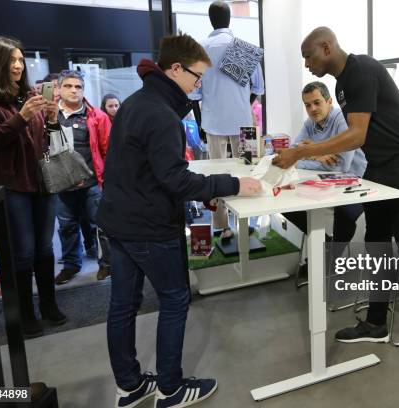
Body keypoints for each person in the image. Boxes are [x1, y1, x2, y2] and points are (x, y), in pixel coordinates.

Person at [96, 34, 261, 407]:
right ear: (175, 69)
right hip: (149, 226)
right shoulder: (160, 114)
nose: (198, 84)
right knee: (174, 300)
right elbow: (175, 178)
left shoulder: (137, 103)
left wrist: (207, 187)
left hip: (119, 220)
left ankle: (131, 384)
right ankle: (171, 388)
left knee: (123, 305)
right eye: (196, 76)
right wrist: (233, 184)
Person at [273, 27, 399, 372]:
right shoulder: (341, 84)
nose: (306, 63)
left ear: (326, 46)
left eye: (308, 55)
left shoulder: (362, 70)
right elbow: (355, 138)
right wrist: (312, 152)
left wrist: (299, 153)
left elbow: (356, 135)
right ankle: (377, 323)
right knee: (377, 241)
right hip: (379, 167)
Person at [0, 36, 67, 338]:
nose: (19, 66)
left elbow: (43, 138)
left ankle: (48, 304)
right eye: (13, 60)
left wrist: (50, 120)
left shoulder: (27, 95)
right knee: (21, 252)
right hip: (9, 184)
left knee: (45, 248)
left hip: (40, 180)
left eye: (21, 60)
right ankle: (24, 312)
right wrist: (21, 118)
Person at [189, 1, 265, 240]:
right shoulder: (243, 47)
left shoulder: (199, 50)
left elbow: (194, 95)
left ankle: (221, 227)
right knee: (249, 170)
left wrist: (201, 122)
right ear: (229, 19)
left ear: (211, 19)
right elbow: (258, 89)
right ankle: (247, 221)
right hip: (245, 123)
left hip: (212, 121)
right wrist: (243, 101)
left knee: (216, 176)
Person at [283, 81, 366, 274]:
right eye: (308, 105)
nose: (312, 109)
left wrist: (306, 153)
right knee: (286, 204)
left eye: (317, 102)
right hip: (326, 181)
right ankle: (325, 243)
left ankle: (330, 257)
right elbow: (292, 154)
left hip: (357, 182)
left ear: (329, 101)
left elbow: (341, 166)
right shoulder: (310, 124)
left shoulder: (342, 120)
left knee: (345, 213)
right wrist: (316, 155)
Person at [53, 70, 112, 285]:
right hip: (61, 184)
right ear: (58, 89)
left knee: (102, 226)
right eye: (68, 86)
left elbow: (109, 151)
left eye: (78, 86)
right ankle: (71, 266)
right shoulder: (49, 115)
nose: (73, 90)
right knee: (66, 227)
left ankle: (107, 264)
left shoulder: (97, 116)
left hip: (92, 183)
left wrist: (109, 180)